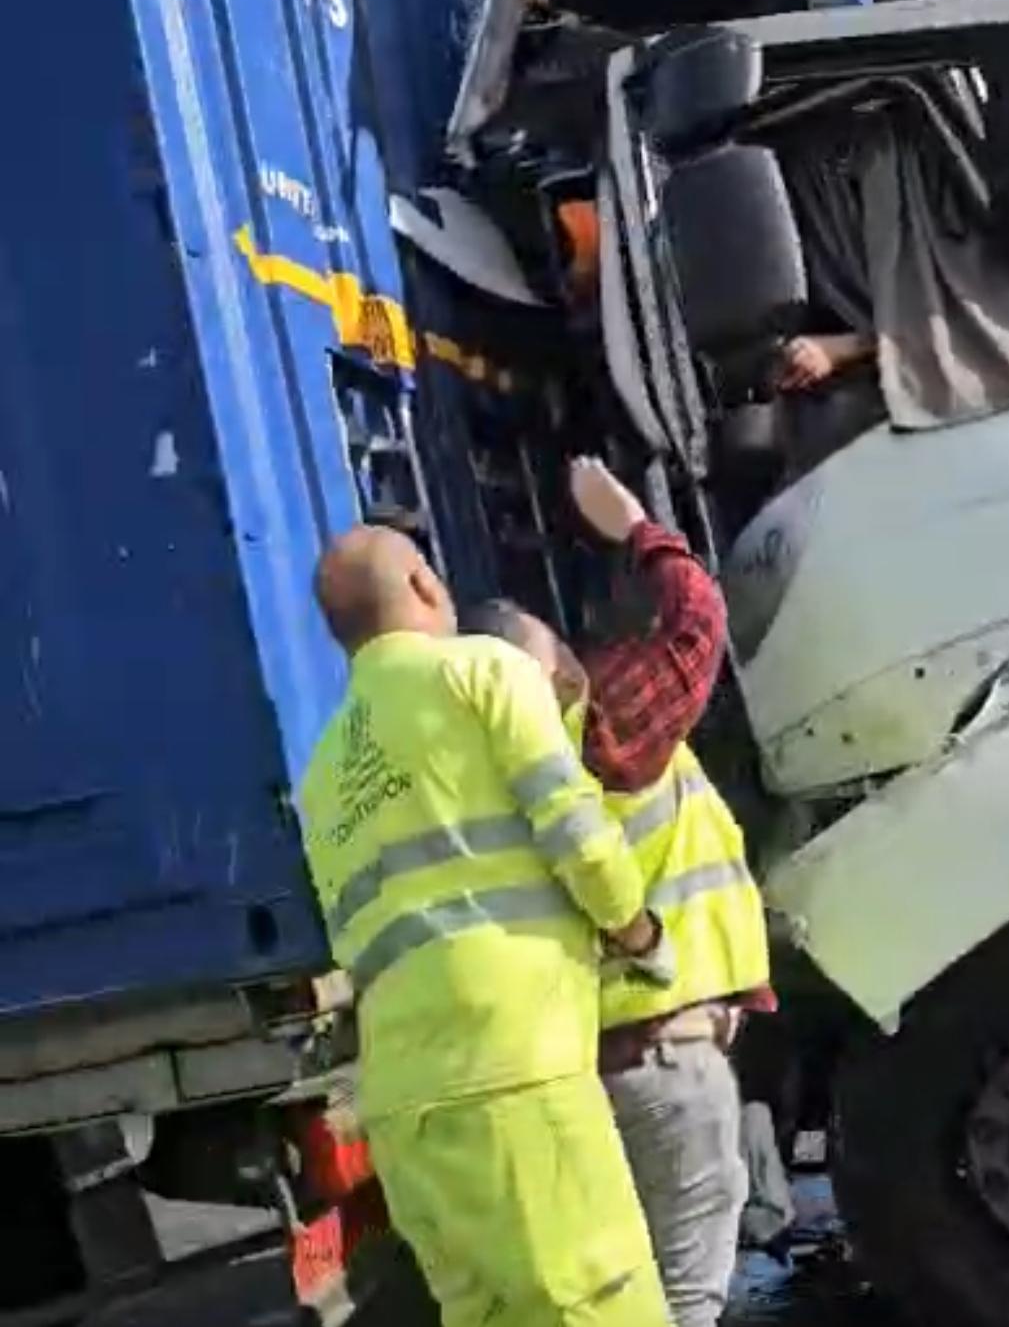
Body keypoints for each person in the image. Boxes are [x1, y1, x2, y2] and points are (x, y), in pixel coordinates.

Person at [297, 525, 674, 1327]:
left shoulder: (323, 773)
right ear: (425, 587)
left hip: (404, 1111)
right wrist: (638, 933)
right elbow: (578, 834)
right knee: (601, 1308)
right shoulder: (481, 670)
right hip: (514, 1072)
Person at [464, 459, 773, 1327]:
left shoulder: (481, 784)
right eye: (562, 652)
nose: (580, 659)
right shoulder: (598, 733)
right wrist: (636, 527)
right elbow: (695, 623)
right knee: (684, 1299)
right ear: (544, 678)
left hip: (585, 1072)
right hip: (661, 1058)